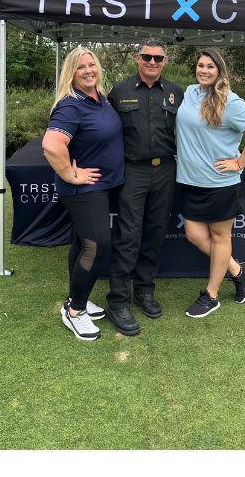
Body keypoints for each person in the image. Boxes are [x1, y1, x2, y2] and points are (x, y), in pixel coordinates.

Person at [175, 47, 245, 319]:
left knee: (219, 236)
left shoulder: (230, 101)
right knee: (193, 234)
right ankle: (238, 270)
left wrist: (240, 162)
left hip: (221, 183)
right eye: (200, 65)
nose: (203, 70)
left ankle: (212, 295)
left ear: (219, 71)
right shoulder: (190, 93)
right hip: (191, 181)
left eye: (210, 67)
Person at [41, 46, 125, 342]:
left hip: (102, 188)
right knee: (97, 245)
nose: (88, 70)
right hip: (83, 190)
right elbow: (52, 145)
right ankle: (75, 311)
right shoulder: (70, 105)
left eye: (92, 64)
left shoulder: (99, 99)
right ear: (71, 73)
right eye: (81, 67)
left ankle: (78, 295)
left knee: (82, 242)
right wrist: (70, 174)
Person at [105, 37, 183, 335]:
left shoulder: (176, 92)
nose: (152, 63)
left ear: (165, 62)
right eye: (147, 58)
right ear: (137, 59)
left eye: (158, 59)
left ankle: (145, 290)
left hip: (165, 170)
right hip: (133, 171)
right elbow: (106, 132)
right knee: (128, 236)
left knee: (155, 233)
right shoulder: (120, 91)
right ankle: (118, 301)